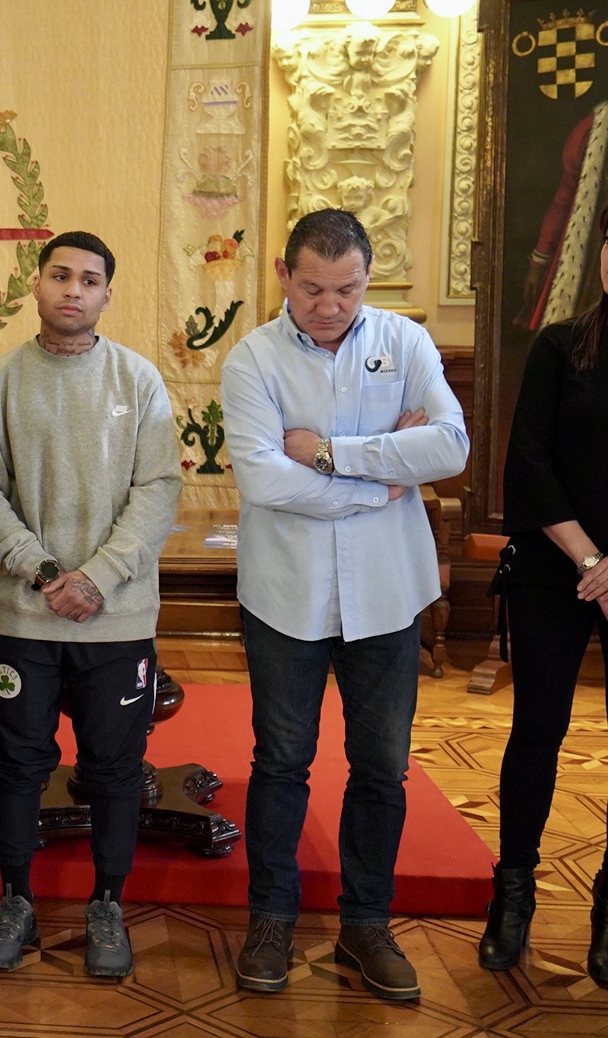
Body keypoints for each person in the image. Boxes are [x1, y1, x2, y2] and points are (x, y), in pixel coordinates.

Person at [220, 209, 468, 1001]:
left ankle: (366, 924)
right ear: (283, 276)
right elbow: (264, 479)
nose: (329, 306)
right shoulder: (252, 360)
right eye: (312, 289)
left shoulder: (405, 342)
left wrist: (328, 453)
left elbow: (450, 446)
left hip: (389, 594)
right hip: (285, 594)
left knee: (382, 768)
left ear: (367, 278)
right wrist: (383, 482)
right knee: (281, 762)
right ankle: (271, 919)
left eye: (347, 289)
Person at [0, 231, 181, 978]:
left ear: (107, 296)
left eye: (90, 280)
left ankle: (107, 904)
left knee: (116, 768)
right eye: (60, 275)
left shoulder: (138, 380)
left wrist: (99, 577)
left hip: (115, 621)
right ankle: (16, 899)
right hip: (23, 617)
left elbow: (158, 489)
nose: (73, 290)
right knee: (16, 763)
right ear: (37, 284)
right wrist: (46, 571)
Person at [480, 203, 608, 978]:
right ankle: (514, 893)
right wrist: (593, 559)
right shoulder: (559, 346)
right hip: (551, 566)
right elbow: (526, 462)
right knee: (537, 730)